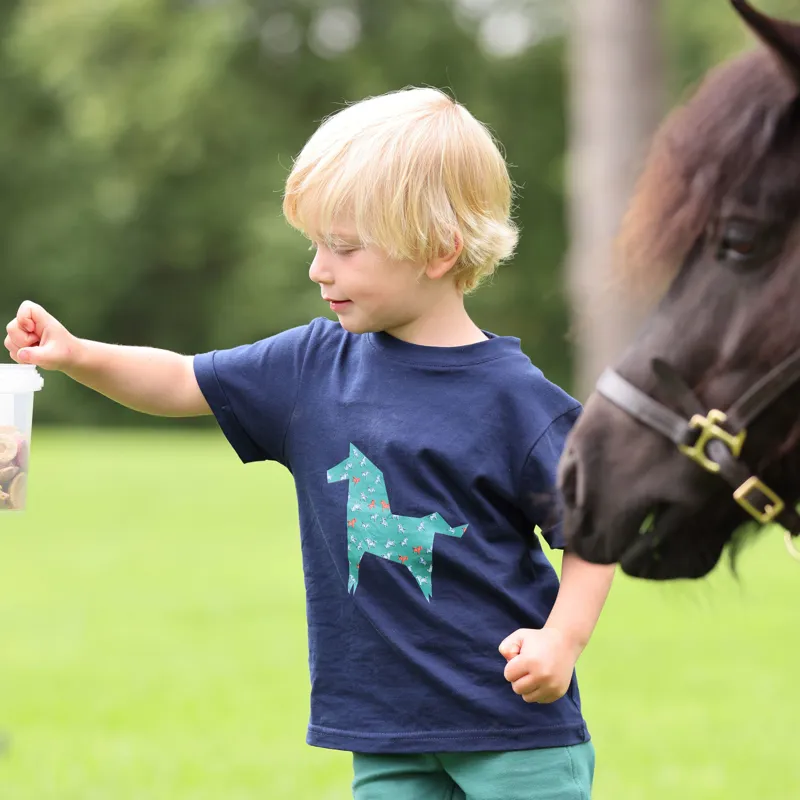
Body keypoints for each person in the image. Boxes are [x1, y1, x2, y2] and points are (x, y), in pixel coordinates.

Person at [4, 87, 614, 800]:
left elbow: (595, 527)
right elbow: (178, 381)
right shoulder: (311, 366)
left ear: (440, 251)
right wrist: (78, 354)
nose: (319, 269)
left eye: (345, 247)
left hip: (514, 736)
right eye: (316, 244)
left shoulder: (515, 398)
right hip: (383, 734)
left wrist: (562, 640)